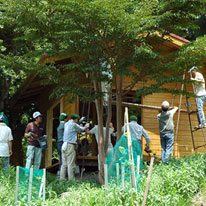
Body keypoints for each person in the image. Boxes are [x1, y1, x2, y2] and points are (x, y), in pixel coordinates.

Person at [60, 114, 88, 181]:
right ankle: (71, 180)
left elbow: (75, 127)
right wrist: (86, 126)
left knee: (64, 164)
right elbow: (81, 130)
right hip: (70, 145)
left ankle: (62, 179)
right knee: (70, 164)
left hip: (64, 145)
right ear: (76, 119)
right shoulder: (73, 124)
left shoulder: (66, 124)